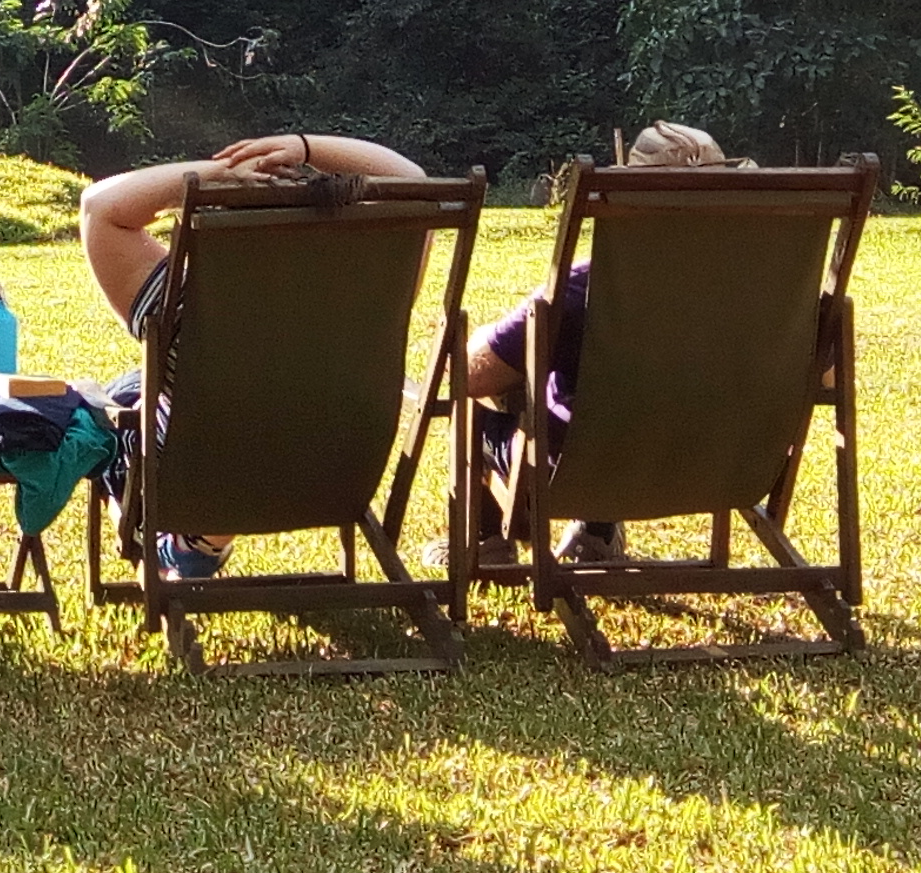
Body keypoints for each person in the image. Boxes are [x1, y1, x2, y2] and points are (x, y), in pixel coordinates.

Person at [76, 131, 430, 577]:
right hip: (335, 472)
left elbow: (99, 205)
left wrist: (224, 172)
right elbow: (413, 179)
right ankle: (197, 543)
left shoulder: (186, 306)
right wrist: (303, 147)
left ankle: (189, 542)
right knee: (138, 386)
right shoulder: (377, 292)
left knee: (116, 404)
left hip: (206, 477)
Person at [463, 122, 740, 558]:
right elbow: (826, 375)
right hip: (730, 466)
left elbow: (471, 378)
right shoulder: (767, 295)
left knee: (482, 416)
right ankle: (595, 537)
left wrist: (479, 337)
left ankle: (489, 546)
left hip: (585, 473)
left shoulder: (583, 290)